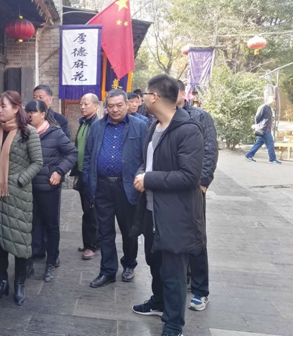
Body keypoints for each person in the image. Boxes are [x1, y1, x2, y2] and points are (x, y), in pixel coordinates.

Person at [132, 74, 205, 337]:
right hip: (151, 209)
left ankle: (174, 326)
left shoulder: (188, 130)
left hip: (176, 214)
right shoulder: (153, 126)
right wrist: (141, 174)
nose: (143, 99)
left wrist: (148, 179)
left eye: (146, 94)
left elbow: (189, 176)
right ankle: (158, 302)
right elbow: (147, 162)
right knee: (155, 263)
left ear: (155, 97)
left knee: (174, 272)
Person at [82, 89, 146, 288]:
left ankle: (129, 264)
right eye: (111, 106)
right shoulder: (97, 127)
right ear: (106, 107)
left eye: (119, 105)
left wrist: (141, 178)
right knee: (105, 231)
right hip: (102, 187)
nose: (115, 109)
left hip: (127, 186)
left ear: (127, 104)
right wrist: (88, 181)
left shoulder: (140, 126)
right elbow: (88, 156)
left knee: (129, 230)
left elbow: (146, 158)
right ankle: (108, 271)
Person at [0, 91, 42, 306]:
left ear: (16, 108)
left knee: (20, 240)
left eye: (4, 106)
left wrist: (19, 180)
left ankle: (19, 283)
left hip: (18, 196)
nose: (0, 110)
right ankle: (1, 282)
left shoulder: (28, 132)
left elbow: (37, 162)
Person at [177, 79, 218, 311]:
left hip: (193, 188)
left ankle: (201, 290)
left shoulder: (200, 117)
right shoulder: (162, 118)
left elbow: (210, 150)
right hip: (171, 188)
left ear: (183, 94)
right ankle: (183, 277)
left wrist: (203, 183)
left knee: (196, 237)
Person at [26, 99, 77, 283]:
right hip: (28, 187)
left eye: (33, 112)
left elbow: (72, 153)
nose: (29, 116)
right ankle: (31, 259)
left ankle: (51, 261)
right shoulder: (25, 133)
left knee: (51, 225)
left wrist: (59, 171)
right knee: (31, 224)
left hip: (48, 186)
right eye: (27, 112)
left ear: (43, 114)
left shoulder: (55, 133)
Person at [32, 84, 70, 259]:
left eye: (40, 97)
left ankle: (52, 254)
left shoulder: (59, 121)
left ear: (49, 99)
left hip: (50, 178)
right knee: (35, 217)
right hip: (33, 179)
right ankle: (37, 250)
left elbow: (67, 150)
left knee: (50, 219)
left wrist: (58, 171)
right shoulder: (28, 122)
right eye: (35, 97)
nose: (37, 100)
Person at [70, 93, 101, 260]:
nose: (82, 107)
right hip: (83, 173)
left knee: (91, 211)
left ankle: (91, 246)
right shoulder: (83, 123)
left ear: (96, 106)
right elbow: (79, 150)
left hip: (93, 175)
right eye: (81, 104)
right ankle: (92, 241)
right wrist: (76, 173)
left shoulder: (98, 125)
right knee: (86, 209)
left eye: (86, 104)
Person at [245, 96, 281, 165]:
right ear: (269, 100)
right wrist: (257, 126)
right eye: (273, 100)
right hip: (264, 129)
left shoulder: (269, 108)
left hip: (266, 128)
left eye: (274, 100)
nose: (274, 102)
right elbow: (257, 117)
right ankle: (272, 160)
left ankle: (248, 156)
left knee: (258, 143)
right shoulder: (263, 107)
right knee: (270, 144)